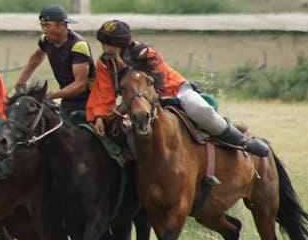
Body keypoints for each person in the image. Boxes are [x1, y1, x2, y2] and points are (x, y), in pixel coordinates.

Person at [86, 19, 269, 157]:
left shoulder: (145, 54)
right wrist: (100, 117)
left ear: (123, 45)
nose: (106, 49)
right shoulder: (104, 63)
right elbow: (102, 92)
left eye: (111, 45)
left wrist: (124, 69)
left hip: (174, 91)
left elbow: (153, 83)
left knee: (199, 109)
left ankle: (242, 141)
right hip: (137, 101)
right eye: (104, 44)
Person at [14, 4, 93, 124]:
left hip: (88, 101)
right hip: (68, 100)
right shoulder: (45, 40)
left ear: (62, 25)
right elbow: (38, 55)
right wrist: (22, 79)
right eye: (42, 26)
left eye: (48, 26)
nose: (44, 31)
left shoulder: (78, 46)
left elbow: (80, 85)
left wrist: (50, 95)